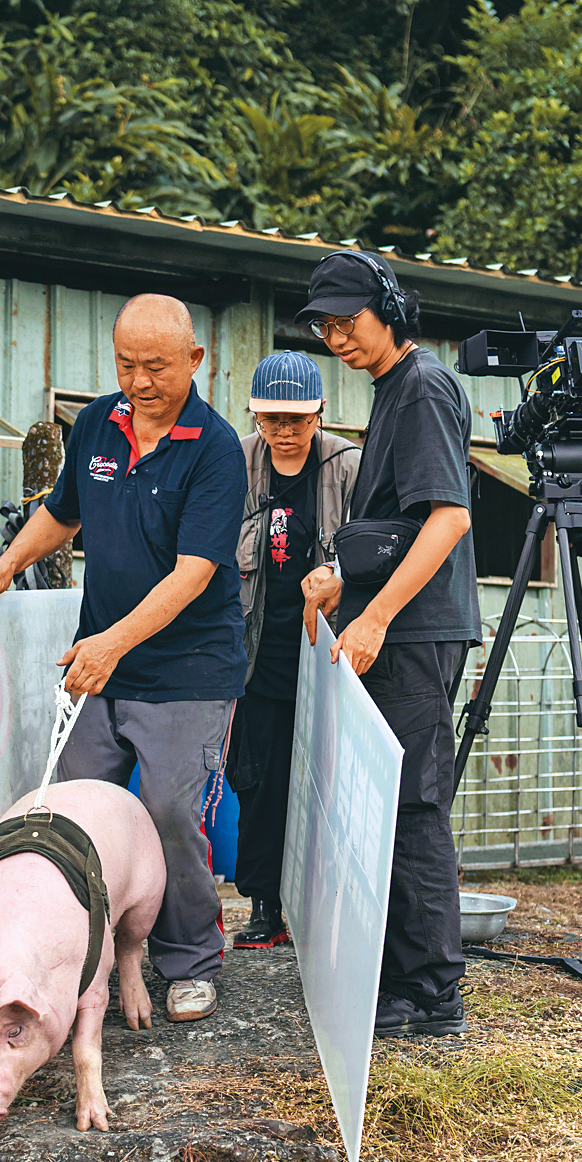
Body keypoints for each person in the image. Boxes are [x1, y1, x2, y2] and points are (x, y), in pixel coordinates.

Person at [0, 294, 246, 1024]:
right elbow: (63, 512)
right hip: (104, 660)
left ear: (195, 361)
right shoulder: (96, 422)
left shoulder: (216, 450)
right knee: (75, 805)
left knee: (165, 809)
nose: (139, 380)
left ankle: (189, 959)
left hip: (188, 670)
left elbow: (194, 575)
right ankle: (79, 954)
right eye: (126, 364)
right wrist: (8, 563)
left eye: (156, 366)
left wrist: (111, 643)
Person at [293, 251, 478, 1038]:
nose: (338, 337)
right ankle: (404, 976)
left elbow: (449, 517)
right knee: (393, 802)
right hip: (398, 626)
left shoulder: (425, 386)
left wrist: (376, 618)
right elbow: (397, 525)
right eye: (326, 327)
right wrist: (343, 577)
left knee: (412, 806)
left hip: (414, 632)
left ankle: (434, 992)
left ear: (390, 310)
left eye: (349, 322)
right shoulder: (395, 390)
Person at [228, 351, 361, 949]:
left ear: (320, 414)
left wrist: (340, 574)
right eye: (271, 419)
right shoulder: (236, 462)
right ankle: (263, 905)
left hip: (325, 653)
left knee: (326, 786)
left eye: (297, 420)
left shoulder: (346, 467)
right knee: (259, 785)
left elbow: (375, 549)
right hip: (257, 652)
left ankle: (327, 906)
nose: (284, 431)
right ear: (256, 416)